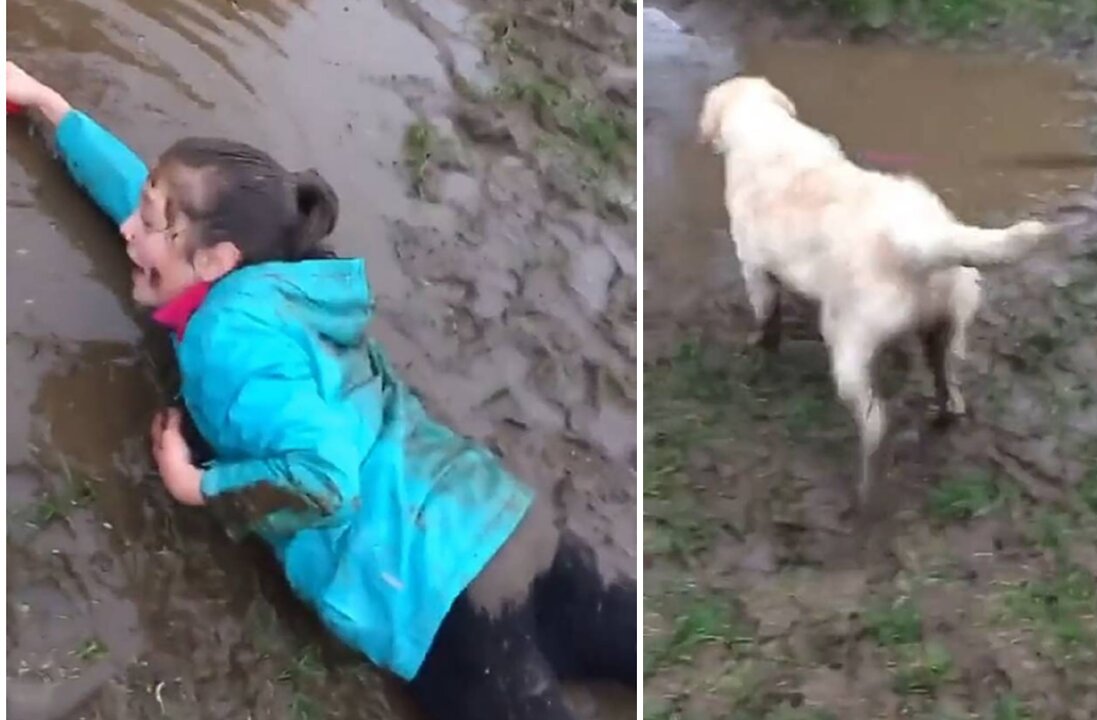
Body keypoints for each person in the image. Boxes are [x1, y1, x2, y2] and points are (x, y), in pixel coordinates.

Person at [6, 60, 634, 719]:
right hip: (499, 520)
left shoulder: (226, 342)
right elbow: (139, 196)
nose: (130, 230)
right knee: (630, 639)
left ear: (215, 263)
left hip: (439, 600)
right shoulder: (282, 274)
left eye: (149, 223)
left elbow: (325, 480)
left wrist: (196, 487)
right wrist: (52, 107)